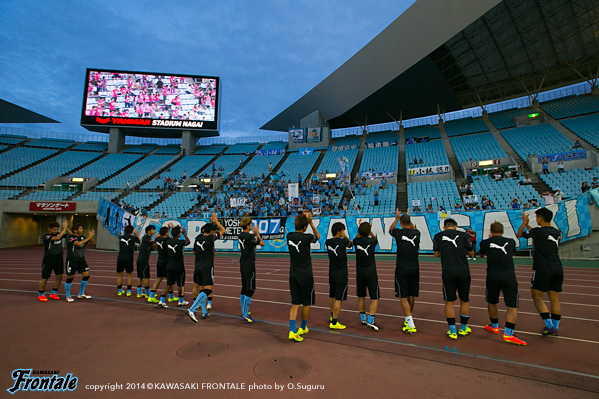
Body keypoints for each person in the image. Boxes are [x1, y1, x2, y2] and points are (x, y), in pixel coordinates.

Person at [479, 222, 527, 345]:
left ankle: (494, 326)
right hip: (509, 276)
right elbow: (513, 253)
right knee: (512, 305)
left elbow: (481, 255)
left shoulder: (485, 243)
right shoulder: (510, 242)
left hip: (493, 276)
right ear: (502, 231)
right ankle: (508, 333)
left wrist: (489, 240)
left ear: (490, 230)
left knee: (492, 301)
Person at [517, 208, 563, 336]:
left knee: (537, 296)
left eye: (537, 218)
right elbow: (538, 233)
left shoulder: (537, 231)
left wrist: (524, 222)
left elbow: (520, 234)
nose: (536, 220)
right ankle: (556, 326)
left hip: (543, 268)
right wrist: (528, 225)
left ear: (541, 218)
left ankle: (549, 325)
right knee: (554, 298)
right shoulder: (556, 232)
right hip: (557, 267)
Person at [433, 218, 474, 340]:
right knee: (464, 300)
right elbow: (471, 253)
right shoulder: (463, 235)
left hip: (448, 272)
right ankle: (463, 328)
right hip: (463, 272)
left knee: (449, 301)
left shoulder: (438, 236)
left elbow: (436, 255)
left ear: (444, 227)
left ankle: (452, 330)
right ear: (455, 226)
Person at [287, 210, 320, 342]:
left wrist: (303, 220)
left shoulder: (289, 236)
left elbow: (298, 227)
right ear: (305, 227)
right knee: (306, 303)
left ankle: (291, 330)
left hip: (293, 274)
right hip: (306, 275)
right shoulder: (307, 237)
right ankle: (302, 327)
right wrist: (311, 221)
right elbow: (317, 236)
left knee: (295, 303)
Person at [185, 213, 225, 322]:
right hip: (207, 267)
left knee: (201, 289)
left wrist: (211, 223)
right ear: (211, 232)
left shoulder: (198, 237)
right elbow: (223, 231)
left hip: (197, 266)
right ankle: (192, 309)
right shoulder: (211, 239)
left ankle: (204, 312)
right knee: (208, 290)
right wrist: (216, 222)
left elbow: (193, 251)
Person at [389, 209, 420, 334]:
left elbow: (390, 230)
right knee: (411, 295)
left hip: (402, 267)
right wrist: (408, 217)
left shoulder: (398, 232)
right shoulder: (417, 233)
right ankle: (409, 318)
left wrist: (397, 218)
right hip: (415, 267)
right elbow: (412, 228)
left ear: (401, 224)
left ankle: (410, 322)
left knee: (402, 295)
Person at [325, 222, 352, 330]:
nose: (344, 233)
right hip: (341, 273)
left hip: (332, 272)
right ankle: (335, 322)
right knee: (339, 298)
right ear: (338, 231)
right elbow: (351, 244)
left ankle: (332, 316)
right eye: (343, 231)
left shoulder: (328, 242)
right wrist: (344, 236)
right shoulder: (343, 241)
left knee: (332, 295)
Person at [353, 221, 381, 331]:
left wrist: (360, 228)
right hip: (371, 272)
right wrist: (370, 230)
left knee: (361, 296)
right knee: (374, 297)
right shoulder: (372, 240)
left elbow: (356, 237)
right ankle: (371, 321)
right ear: (368, 231)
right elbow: (376, 239)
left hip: (360, 272)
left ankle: (363, 318)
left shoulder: (356, 241)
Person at [237, 217, 264, 323]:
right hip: (249, 263)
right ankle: (245, 313)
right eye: (251, 224)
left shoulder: (241, 235)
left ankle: (244, 311)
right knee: (251, 289)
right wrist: (257, 233)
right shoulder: (250, 237)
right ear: (248, 226)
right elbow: (262, 243)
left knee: (244, 287)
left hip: (243, 262)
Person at [157, 226, 190, 308]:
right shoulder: (181, 242)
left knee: (169, 283)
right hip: (179, 265)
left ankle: (162, 300)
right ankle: (181, 301)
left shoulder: (168, 241)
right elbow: (188, 242)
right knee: (180, 284)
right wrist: (184, 233)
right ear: (179, 234)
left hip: (169, 265)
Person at [38, 220, 69, 301]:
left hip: (59, 259)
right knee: (45, 277)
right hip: (48, 259)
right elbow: (57, 238)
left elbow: (71, 235)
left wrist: (65, 228)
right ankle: (41, 294)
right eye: (54, 229)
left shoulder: (59, 233)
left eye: (57, 229)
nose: (56, 231)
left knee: (59, 276)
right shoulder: (46, 237)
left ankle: (54, 292)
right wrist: (63, 229)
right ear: (49, 229)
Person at [65, 224, 95, 302]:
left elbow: (92, 243)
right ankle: (68, 295)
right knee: (70, 277)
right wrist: (88, 237)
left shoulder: (82, 237)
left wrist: (91, 236)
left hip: (81, 259)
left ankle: (81, 293)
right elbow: (78, 243)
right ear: (75, 230)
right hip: (72, 259)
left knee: (86, 275)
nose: (82, 230)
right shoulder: (70, 238)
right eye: (81, 228)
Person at [148, 226, 171, 303]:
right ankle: (170, 296)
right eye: (168, 232)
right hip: (166, 261)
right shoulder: (167, 240)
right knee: (170, 279)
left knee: (159, 278)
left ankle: (151, 295)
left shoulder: (157, 239)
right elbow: (172, 238)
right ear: (166, 233)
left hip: (159, 260)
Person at [116, 225, 139, 297]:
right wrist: (136, 234)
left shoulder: (121, 238)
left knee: (120, 274)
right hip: (129, 257)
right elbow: (139, 241)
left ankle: (119, 290)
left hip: (120, 256)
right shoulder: (133, 238)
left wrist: (133, 234)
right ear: (132, 231)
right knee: (129, 275)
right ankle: (128, 291)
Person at [136, 225, 156, 299]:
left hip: (140, 259)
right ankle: (147, 293)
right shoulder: (147, 238)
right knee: (146, 276)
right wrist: (156, 240)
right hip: (144, 259)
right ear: (149, 231)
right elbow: (154, 246)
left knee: (140, 276)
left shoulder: (145, 238)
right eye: (153, 230)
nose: (154, 231)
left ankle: (139, 292)